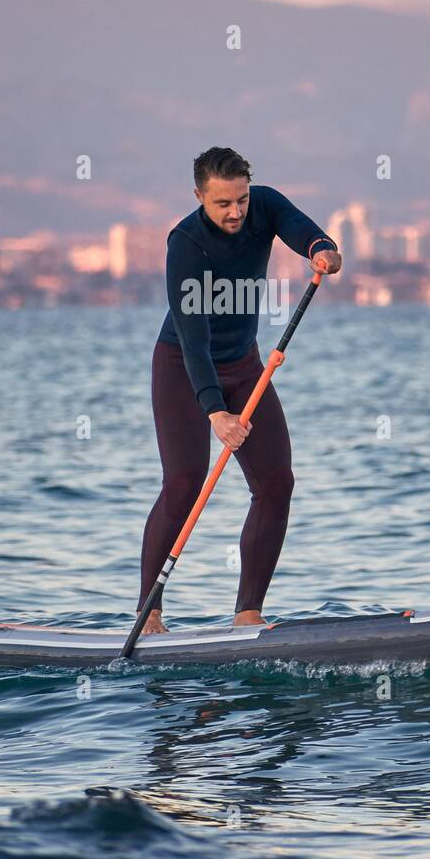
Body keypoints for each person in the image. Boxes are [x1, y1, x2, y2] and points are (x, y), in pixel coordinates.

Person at [138, 146, 342, 632]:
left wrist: (320, 247)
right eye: (222, 203)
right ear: (199, 197)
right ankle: (149, 614)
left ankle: (248, 612)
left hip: (246, 364)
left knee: (276, 483)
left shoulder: (264, 205)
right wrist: (215, 412)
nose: (235, 212)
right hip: (184, 366)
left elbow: (300, 227)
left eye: (241, 201)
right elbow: (192, 335)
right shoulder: (185, 242)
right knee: (184, 483)